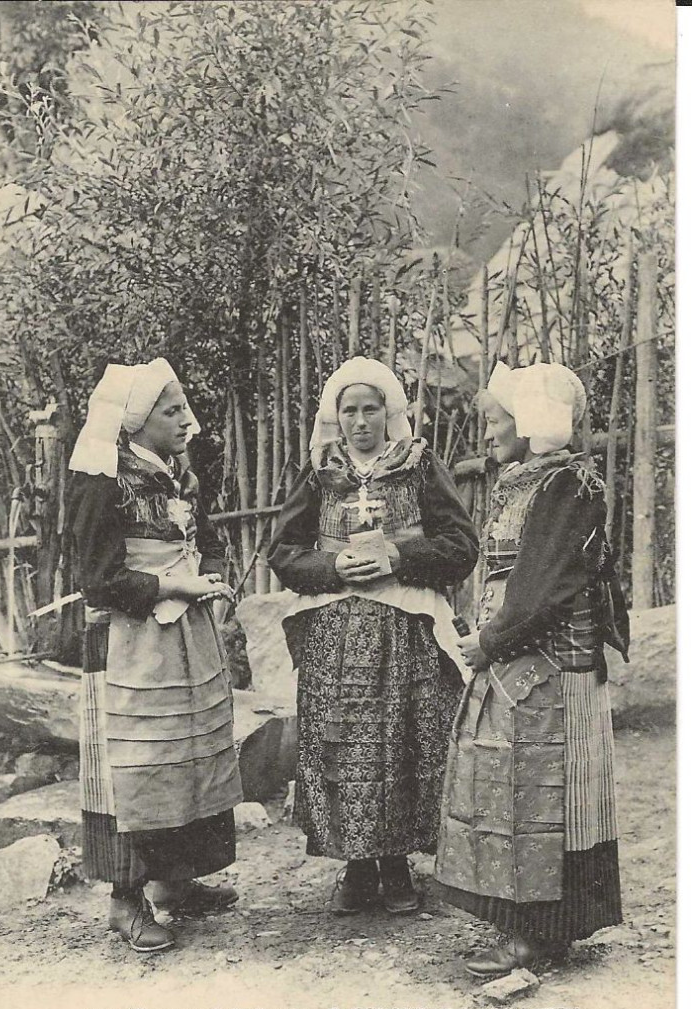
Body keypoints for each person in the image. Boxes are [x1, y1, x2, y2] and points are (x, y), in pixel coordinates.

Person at [435, 361, 629, 976]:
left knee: (550, 800)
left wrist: (489, 641)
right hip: (521, 664)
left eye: (494, 421)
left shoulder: (567, 486)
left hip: (552, 670)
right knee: (513, 793)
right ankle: (528, 923)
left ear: (532, 421)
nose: (486, 434)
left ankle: (544, 933)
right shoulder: (530, 482)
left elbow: (543, 585)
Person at [267, 356, 478, 914]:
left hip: (404, 629)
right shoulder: (319, 471)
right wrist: (331, 569)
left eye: (371, 409)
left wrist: (399, 557)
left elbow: (461, 547)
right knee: (342, 748)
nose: (361, 422)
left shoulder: (418, 464)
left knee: (400, 745)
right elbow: (283, 554)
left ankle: (397, 866)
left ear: (390, 413)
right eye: (350, 411)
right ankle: (356, 870)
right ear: (335, 418)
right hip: (334, 635)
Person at [69, 358, 243, 953]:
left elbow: (204, 538)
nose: (187, 421)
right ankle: (125, 900)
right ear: (138, 421)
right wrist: (175, 587)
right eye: (173, 411)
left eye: (185, 407)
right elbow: (98, 580)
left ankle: (176, 881)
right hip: (129, 643)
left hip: (184, 633)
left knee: (185, 757)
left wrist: (212, 576)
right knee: (134, 770)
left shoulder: (177, 474)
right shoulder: (103, 479)